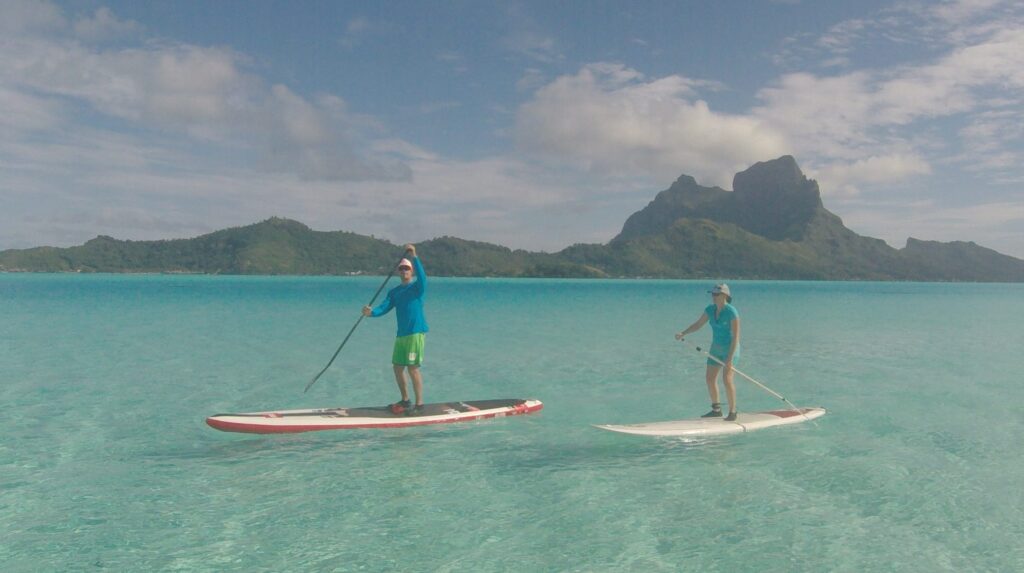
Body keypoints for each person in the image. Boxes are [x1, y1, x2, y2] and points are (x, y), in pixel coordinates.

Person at [363, 244, 429, 415]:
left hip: (415, 333)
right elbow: (384, 307)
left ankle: (420, 405)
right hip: (401, 335)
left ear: (411, 271)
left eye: (407, 268)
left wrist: (414, 256)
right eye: (401, 268)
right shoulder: (394, 292)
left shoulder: (417, 288)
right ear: (398, 272)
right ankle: (406, 400)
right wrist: (371, 313)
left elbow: (423, 278)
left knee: (413, 368)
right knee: (397, 367)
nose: (404, 271)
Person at [675, 283, 741, 421]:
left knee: (727, 379)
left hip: (730, 349)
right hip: (716, 348)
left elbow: (736, 337)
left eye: (716, 294)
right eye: (712, 294)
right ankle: (716, 410)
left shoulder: (732, 312)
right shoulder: (710, 309)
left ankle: (733, 412)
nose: (713, 296)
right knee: (710, 378)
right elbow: (698, 324)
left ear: (725, 295)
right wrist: (683, 333)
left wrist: (729, 359)